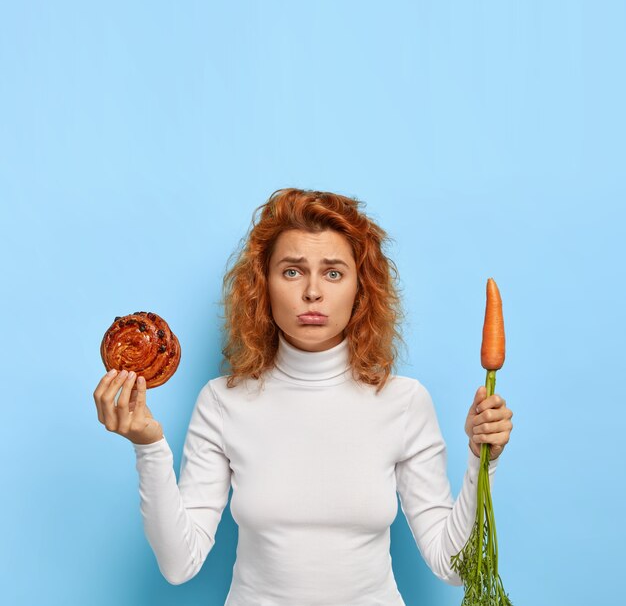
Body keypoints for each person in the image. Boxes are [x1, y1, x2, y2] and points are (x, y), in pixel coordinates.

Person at [92, 188, 514, 605]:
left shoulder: (403, 402)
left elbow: (454, 565)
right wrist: (148, 447)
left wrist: (482, 459)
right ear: (263, 286)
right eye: (292, 271)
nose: (313, 292)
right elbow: (178, 564)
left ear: (360, 289)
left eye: (333, 273)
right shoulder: (223, 401)